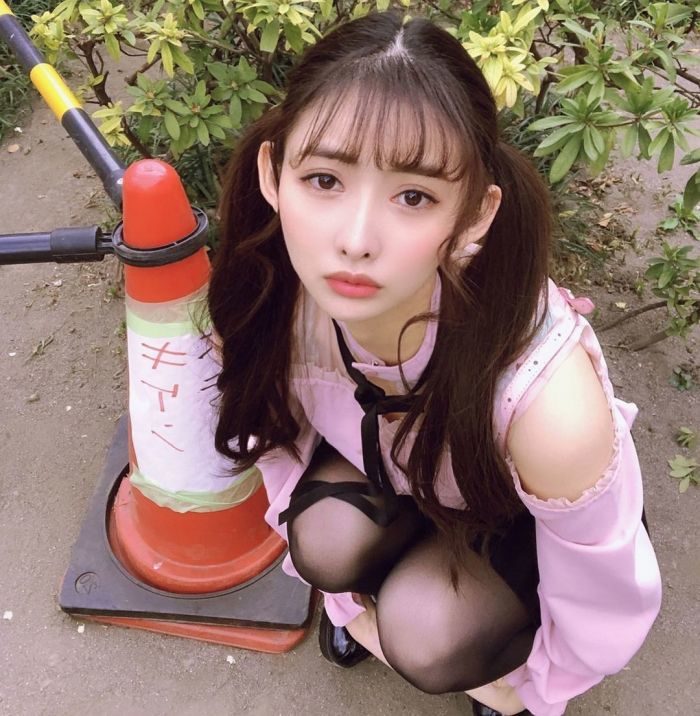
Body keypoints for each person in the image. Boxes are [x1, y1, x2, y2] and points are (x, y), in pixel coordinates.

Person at [207, 10, 662, 716]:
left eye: (413, 196)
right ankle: (380, 589)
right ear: (274, 173)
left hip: (509, 520)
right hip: (396, 473)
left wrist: (531, 690)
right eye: (324, 180)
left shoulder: (546, 404)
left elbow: (602, 600)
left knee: (429, 636)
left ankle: (489, 648)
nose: (355, 240)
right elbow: (280, 451)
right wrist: (347, 607)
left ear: (475, 215)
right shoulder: (273, 302)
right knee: (321, 542)